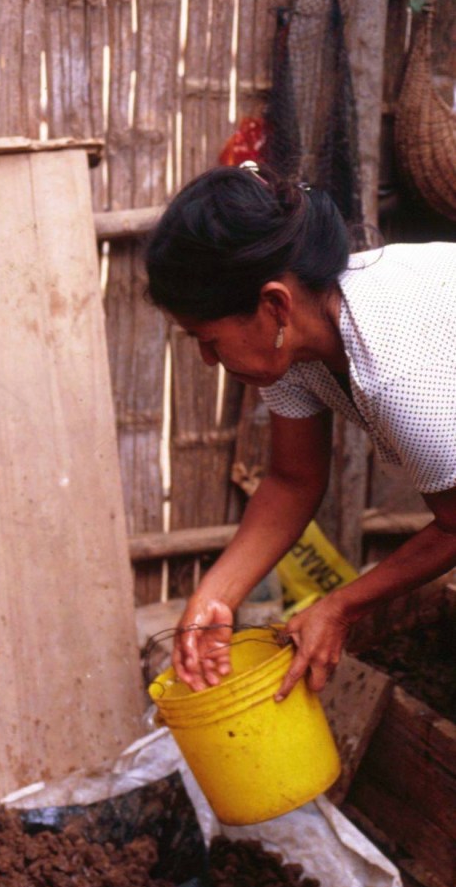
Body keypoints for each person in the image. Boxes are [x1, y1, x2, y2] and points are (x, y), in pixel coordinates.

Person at [144, 162, 456, 698]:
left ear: (274, 305)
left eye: (209, 339)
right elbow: (293, 480)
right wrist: (214, 597)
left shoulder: (394, 373)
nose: (206, 359)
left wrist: (340, 607)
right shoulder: (292, 344)